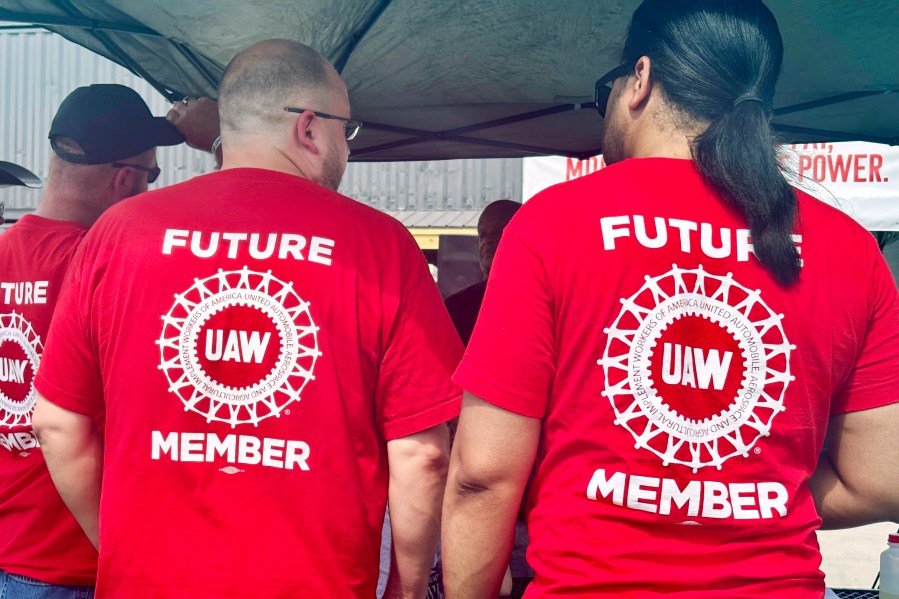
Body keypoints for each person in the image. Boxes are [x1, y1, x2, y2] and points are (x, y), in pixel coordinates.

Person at [442, 1, 899, 597]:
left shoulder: (553, 224)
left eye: (608, 88)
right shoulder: (849, 248)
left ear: (641, 80)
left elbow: (482, 475)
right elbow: (879, 479)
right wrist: (743, 493)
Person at [32, 39, 462, 599]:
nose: (346, 149)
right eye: (345, 131)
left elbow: (56, 423)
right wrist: (405, 591)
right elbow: (423, 454)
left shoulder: (119, 234)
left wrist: (121, 547)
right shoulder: (378, 246)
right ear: (309, 128)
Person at [0, 85, 183, 598]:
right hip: (82, 561)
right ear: (125, 180)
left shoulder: (3, 250)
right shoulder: (106, 265)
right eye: (153, 176)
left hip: (13, 545)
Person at [444, 199, 521, 345]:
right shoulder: (459, 306)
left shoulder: (551, 302)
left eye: (498, 231)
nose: (487, 240)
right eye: (482, 234)